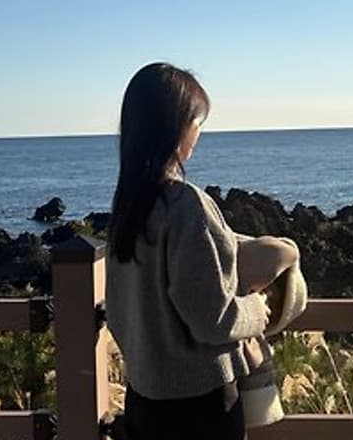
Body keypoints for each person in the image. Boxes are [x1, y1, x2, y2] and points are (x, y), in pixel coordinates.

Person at [106, 62, 272, 440]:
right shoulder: (185, 205)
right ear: (176, 127)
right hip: (200, 407)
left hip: (144, 401)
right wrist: (256, 310)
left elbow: (117, 312)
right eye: (197, 122)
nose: (198, 133)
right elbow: (213, 319)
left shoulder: (128, 206)